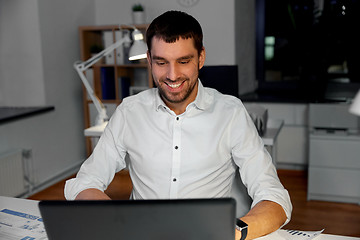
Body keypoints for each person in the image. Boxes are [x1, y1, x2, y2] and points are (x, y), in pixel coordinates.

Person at [65, 10, 292, 240]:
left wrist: (230, 234)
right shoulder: (129, 112)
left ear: (201, 57)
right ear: (149, 59)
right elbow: (85, 182)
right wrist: (119, 221)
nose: (172, 76)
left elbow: (274, 196)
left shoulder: (231, 113)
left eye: (183, 61)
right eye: (161, 62)